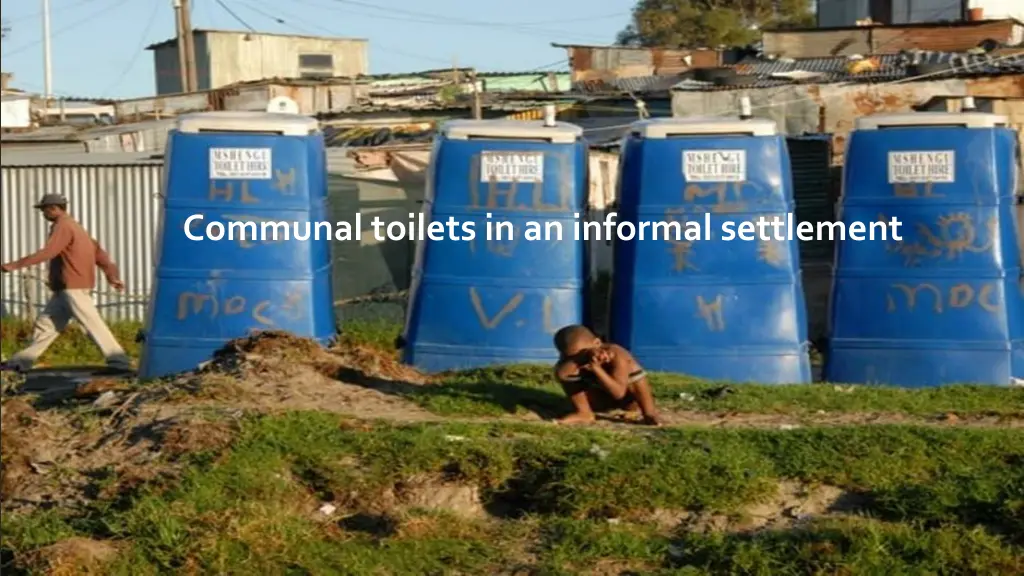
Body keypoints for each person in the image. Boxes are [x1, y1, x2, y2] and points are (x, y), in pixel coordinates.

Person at [0, 194, 132, 372]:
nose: (43, 214)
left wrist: (13, 265)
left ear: (53, 208)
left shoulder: (63, 226)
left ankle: (119, 362)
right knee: (46, 325)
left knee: (91, 323)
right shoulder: (77, 228)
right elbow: (100, 254)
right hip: (65, 288)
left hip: (73, 286)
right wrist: (112, 276)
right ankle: (20, 362)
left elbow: (48, 252)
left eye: (44, 210)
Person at [552, 324, 662, 426]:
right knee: (566, 371)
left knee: (633, 370)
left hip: (627, 399)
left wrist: (596, 369)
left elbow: (619, 393)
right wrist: (574, 362)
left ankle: (649, 413)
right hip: (599, 400)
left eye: (583, 354)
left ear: (597, 343)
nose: (580, 359)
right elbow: (562, 374)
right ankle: (584, 413)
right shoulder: (574, 359)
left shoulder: (616, 354)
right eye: (572, 357)